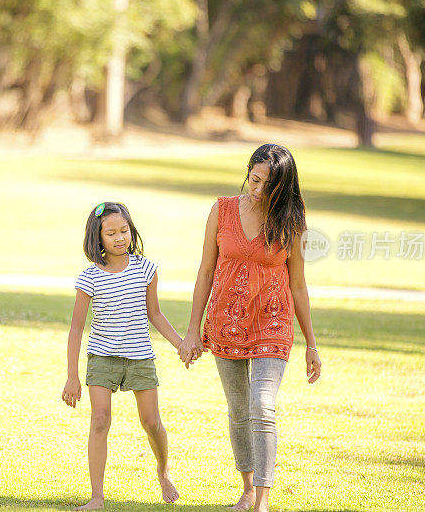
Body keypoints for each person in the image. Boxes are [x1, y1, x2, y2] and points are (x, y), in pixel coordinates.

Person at [178, 144, 322, 512]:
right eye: (254, 179)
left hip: (272, 322)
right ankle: (247, 488)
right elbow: (206, 272)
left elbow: (299, 285)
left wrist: (311, 344)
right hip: (225, 323)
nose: (257, 190)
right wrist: (193, 330)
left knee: (262, 405)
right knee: (239, 408)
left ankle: (262, 501)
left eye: (268, 185)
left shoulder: (292, 222)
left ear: (283, 187)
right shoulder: (221, 209)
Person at [62, 201, 182, 510]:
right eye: (111, 233)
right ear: (97, 237)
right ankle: (97, 497)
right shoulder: (89, 277)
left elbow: (155, 314)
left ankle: (162, 470)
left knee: (152, 422)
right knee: (100, 420)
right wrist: (72, 376)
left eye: (124, 231)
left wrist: (180, 344)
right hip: (102, 357)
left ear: (132, 231)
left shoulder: (146, 269)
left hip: (140, 357)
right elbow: (76, 329)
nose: (119, 238)